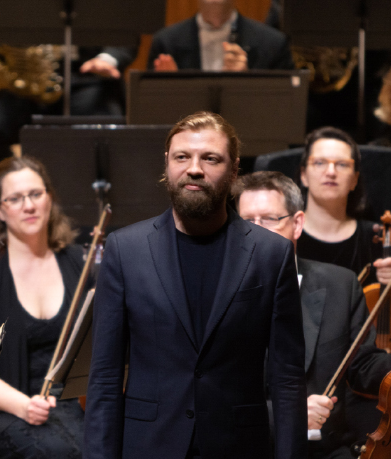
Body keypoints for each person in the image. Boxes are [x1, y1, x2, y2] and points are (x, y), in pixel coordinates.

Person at [85, 112, 307, 459]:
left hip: (239, 447)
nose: (194, 169)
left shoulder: (271, 254)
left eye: (211, 158)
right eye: (182, 157)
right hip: (149, 446)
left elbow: (287, 379)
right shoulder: (124, 249)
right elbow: (104, 377)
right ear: (167, 164)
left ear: (234, 170)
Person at [234, 171, 391, 458]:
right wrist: (287, 413)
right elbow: (214, 395)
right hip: (250, 446)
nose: (256, 231)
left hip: (325, 450)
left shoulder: (339, 285)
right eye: (246, 222)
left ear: (297, 224)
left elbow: (362, 367)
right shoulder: (219, 292)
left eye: (268, 219)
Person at [0, 156, 88, 458]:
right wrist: (24, 406)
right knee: (56, 451)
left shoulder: (80, 263)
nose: (29, 206)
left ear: (49, 198)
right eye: (15, 198)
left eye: (36, 194)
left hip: (66, 403)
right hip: (2, 406)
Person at [0, 0, 139, 173]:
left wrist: (106, 59)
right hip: (26, 79)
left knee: (104, 134)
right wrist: (12, 17)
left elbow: (126, 29)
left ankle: (91, 194)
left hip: (86, 77)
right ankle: (21, 185)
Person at [298, 127, 391, 294]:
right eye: (320, 162)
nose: (331, 172)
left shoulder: (377, 240)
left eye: (342, 164)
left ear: (354, 179)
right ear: (304, 175)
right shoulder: (283, 235)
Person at [148, 0, 294, 71]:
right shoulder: (165, 43)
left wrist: (245, 82)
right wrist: (170, 86)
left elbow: (285, 110)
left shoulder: (273, 44)